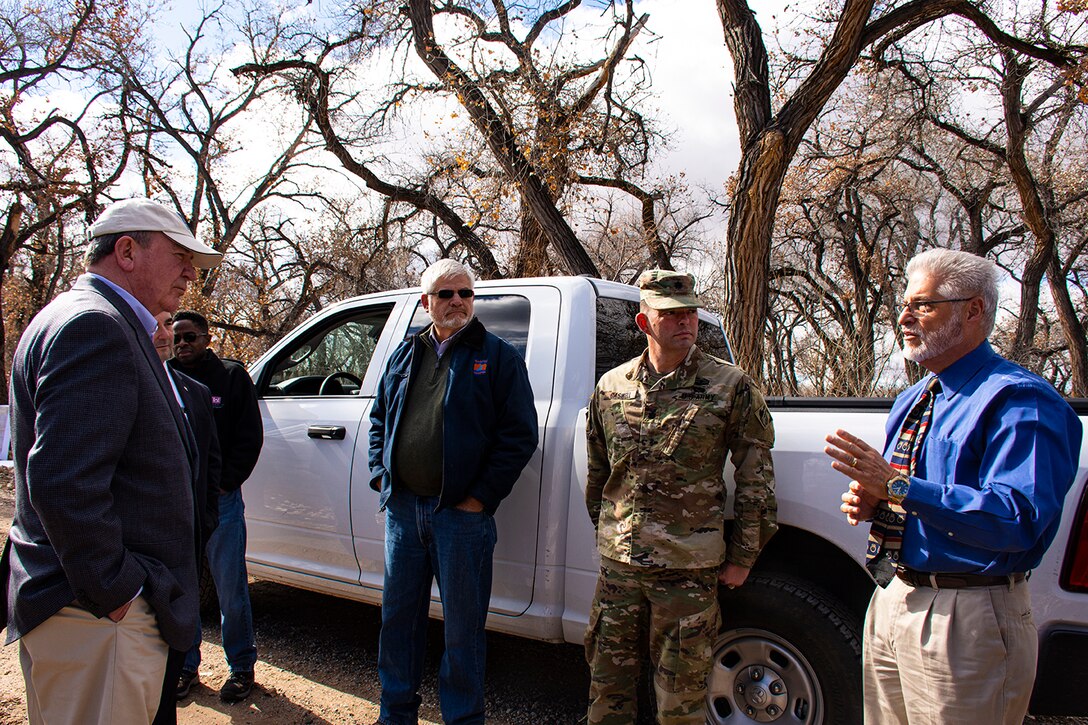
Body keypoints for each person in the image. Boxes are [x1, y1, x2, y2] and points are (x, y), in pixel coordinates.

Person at [825, 248, 1082, 725]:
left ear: (973, 310)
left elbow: (1017, 519)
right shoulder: (914, 398)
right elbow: (911, 493)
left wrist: (898, 488)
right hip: (891, 598)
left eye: (923, 305)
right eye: (904, 304)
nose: (904, 317)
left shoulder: (1020, 401)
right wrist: (876, 502)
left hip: (969, 616)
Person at [2, 197, 222, 724]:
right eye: (180, 255)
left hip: (94, 618)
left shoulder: (80, 317)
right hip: (97, 622)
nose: (191, 272)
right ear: (127, 250)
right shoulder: (95, 326)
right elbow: (62, 482)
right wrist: (118, 590)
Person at [584, 270, 778, 725]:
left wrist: (744, 554)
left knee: (682, 703)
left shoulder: (731, 386)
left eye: (689, 312)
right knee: (606, 692)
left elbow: (756, 477)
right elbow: (598, 472)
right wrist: (608, 534)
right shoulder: (612, 387)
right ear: (644, 322)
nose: (684, 321)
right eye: (671, 314)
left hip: (686, 572)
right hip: (619, 573)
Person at [368, 259, 538, 725]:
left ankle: (463, 719)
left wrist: (479, 498)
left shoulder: (498, 356)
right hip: (403, 513)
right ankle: (395, 714)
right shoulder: (405, 354)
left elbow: (519, 435)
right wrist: (382, 475)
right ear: (426, 303)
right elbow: (380, 419)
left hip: (461, 518)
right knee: (397, 622)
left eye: (465, 293)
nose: (457, 302)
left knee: (463, 633)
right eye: (445, 294)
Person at [168, 309, 263, 703]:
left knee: (230, 589)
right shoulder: (165, 377)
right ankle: (186, 667)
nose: (183, 344)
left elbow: (250, 437)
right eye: (178, 338)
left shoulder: (230, 376)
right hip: (177, 503)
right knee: (182, 588)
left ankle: (241, 668)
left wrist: (225, 483)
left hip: (221, 501)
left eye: (191, 336)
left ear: (207, 338)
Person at [150, 313, 222, 725]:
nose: (166, 337)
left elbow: (211, 463)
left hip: (187, 543)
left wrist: (206, 518)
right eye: (158, 327)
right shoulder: (127, 381)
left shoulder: (195, 392)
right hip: (141, 557)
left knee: (175, 642)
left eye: (171, 328)